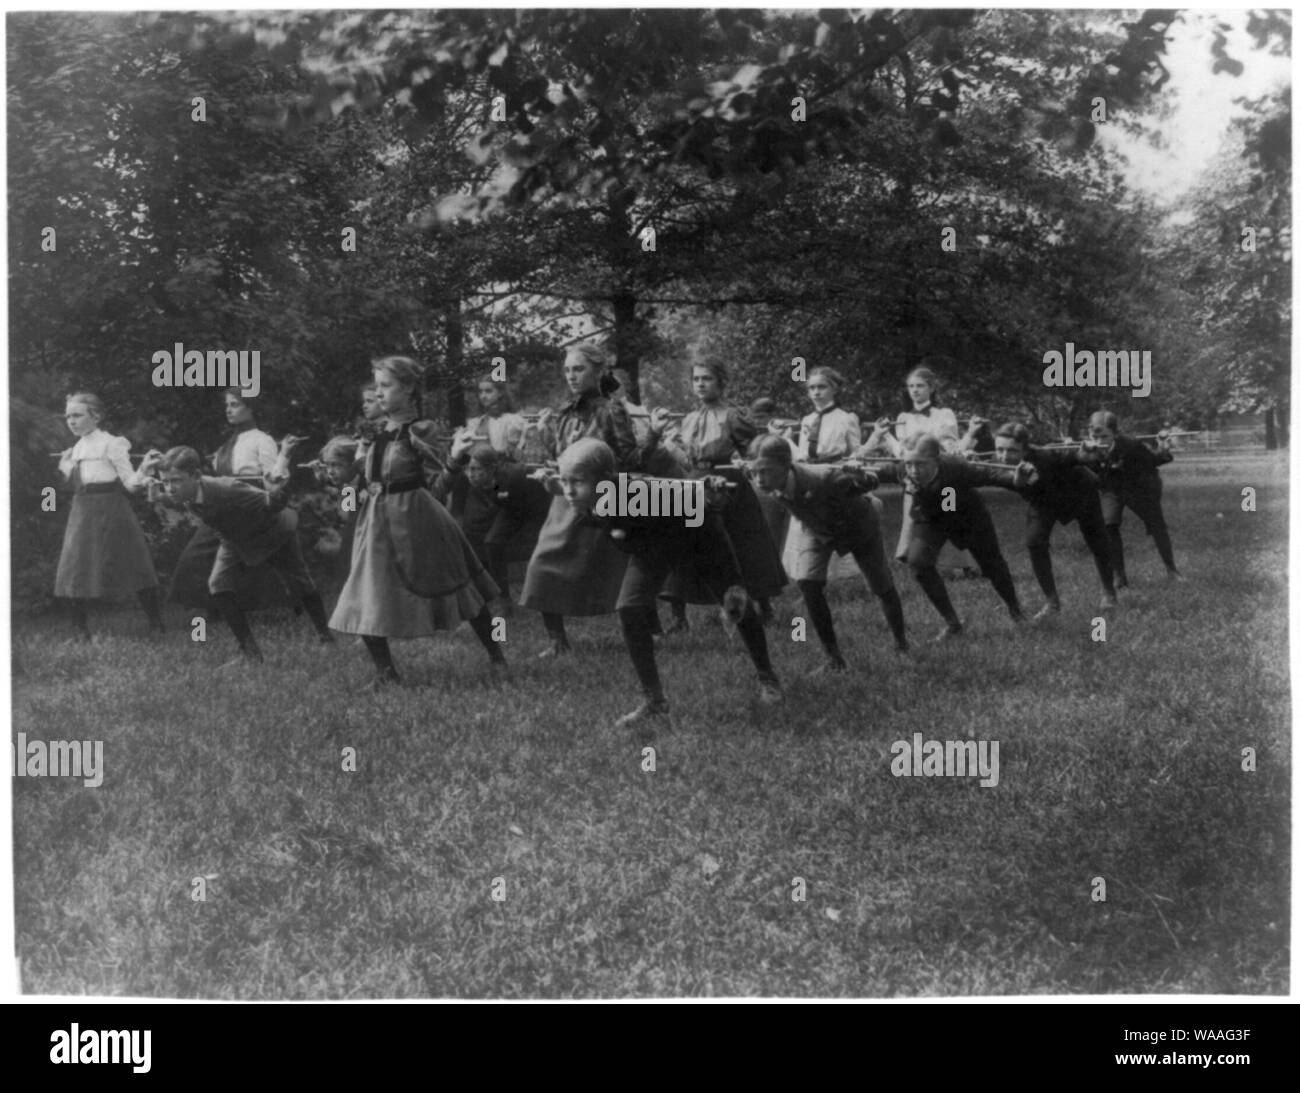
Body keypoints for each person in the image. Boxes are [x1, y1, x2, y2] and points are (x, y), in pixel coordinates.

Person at [550, 438, 782, 729]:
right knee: (630, 608)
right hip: (652, 546)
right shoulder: (590, 495)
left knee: (734, 603)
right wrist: (558, 486)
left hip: (698, 535)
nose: (568, 490)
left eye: (577, 482)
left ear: (607, 480)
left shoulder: (639, 492)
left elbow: (691, 493)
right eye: (564, 481)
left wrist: (709, 490)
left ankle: (768, 678)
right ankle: (654, 701)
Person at [328, 356, 506, 685]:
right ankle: (386, 673)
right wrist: (346, 487)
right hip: (376, 525)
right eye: (377, 386)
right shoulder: (375, 433)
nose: (379, 393)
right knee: (362, 592)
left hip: (419, 522)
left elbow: (437, 488)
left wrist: (454, 459)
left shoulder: (421, 431)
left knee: (459, 587)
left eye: (386, 386)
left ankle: (497, 657)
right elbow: (364, 483)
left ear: (408, 388)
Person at [150, 444, 334, 663]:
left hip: (272, 531)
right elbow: (170, 498)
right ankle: (250, 654)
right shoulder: (183, 493)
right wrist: (157, 496)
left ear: (197, 475)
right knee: (218, 586)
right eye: (166, 481)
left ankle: (326, 638)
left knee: (299, 582)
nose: (170, 487)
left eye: (176, 480)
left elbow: (272, 504)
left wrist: (277, 486)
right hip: (234, 538)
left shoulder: (227, 488)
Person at [519, 341, 646, 658]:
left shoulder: (612, 410)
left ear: (598, 371)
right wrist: (545, 433)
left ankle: (644, 632)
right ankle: (557, 642)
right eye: (567, 370)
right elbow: (559, 455)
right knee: (542, 565)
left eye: (579, 369)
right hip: (564, 501)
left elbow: (629, 458)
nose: (571, 376)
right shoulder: (564, 411)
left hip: (602, 499)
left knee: (622, 567)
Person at [747, 435, 907, 671]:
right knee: (808, 585)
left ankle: (901, 644)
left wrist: (861, 476)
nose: (759, 480)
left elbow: (870, 483)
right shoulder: (767, 478)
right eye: (755, 472)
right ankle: (834, 659)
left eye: (766, 472)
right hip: (817, 529)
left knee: (881, 585)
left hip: (858, 526)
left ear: (787, 465)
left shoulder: (823, 477)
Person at [656, 361, 786, 632]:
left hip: (729, 486)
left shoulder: (734, 416)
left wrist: (749, 461)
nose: (701, 384)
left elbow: (755, 449)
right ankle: (679, 618)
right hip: (694, 483)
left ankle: (764, 609)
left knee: (744, 545)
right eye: (696, 379)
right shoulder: (689, 419)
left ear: (721, 382)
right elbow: (688, 460)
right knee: (682, 545)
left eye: (707, 379)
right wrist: (669, 446)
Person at [872, 433, 1032, 640]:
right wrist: (853, 469)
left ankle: (1015, 610)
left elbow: (992, 475)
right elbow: (874, 474)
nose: (913, 470)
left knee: (992, 565)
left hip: (969, 520)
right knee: (919, 563)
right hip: (931, 520)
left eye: (920, 464)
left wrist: (1017, 479)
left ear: (937, 460)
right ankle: (952, 623)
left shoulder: (957, 468)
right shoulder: (903, 469)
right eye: (909, 463)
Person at [167, 389, 289, 613]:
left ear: (251, 408)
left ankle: (257, 610)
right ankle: (207, 610)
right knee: (194, 558)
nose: (229, 410)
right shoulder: (226, 445)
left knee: (249, 561)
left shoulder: (263, 440)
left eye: (235, 405)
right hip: (220, 510)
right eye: (227, 405)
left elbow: (273, 480)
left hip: (248, 510)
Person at [53, 392, 163, 638]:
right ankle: (79, 630)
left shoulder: (112, 443)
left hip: (112, 509)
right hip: (81, 512)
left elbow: (130, 484)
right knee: (75, 566)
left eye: (78, 415)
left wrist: (144, 469)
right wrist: (65, 467)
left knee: (135, 563)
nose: (71, 421)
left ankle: (156, 622)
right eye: (68, 416)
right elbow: (74, 485)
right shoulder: (76, 448)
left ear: (96, 416)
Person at [991, 423, 1118, 617]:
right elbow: (983, 475)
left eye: (1012, 450)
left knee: (1097, 540)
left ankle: (1109, 594)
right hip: (1043, 500)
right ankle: (1052, 603)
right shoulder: (996, 462)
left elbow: (1073, 457)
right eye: (1000, 449)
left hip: (1079, 492)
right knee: (1034, 542)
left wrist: (1083, 455)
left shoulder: (1044, 456)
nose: (1004, 456)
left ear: (1025, 449)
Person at [862, 364, 976, 573]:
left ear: (931, 388)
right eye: (911, 386)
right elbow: (901, 453)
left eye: (920, 386)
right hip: (914, 476)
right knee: (916, 517)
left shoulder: (944, 414)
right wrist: (886, 435)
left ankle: (961, 564)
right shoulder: (904, 418)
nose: (915, 390)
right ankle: (918, 558)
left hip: (942, 475)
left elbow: (951, 447)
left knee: (949, 513)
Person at [437, 441, 550, 614]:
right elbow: (461, 508)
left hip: (532, 508)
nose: (470, 475)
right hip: (509, 504)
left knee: (493, 542)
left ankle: (503, 600)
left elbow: (518, 493)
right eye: (468, 469)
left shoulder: (512, 476)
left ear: (491, 469)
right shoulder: (476, 480)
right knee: (475, 535)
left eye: (476, 470)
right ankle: (490, 594)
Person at [1079, 411, 1181, 587]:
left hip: (1139, 489)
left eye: (1104, 436)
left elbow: (1157, 460)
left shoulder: (1132, 446)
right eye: (1094, 436)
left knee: (1157, 526)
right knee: (1109, 525)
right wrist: (1085, 458)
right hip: (1111, 489)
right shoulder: (1087, 450)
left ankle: (1172, 570)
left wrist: (1163, 446)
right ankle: (1119, 576)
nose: (1099, 441)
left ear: (1116, 434)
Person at [793, 366, 861, 463]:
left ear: (835, 390)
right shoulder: (807, 420)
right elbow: (802, 453)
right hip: (808, 468)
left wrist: (853, 461)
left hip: (833, 469)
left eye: (822, 387)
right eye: (812, 388)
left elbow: (856, 451)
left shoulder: (846, 418)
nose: (816, 392)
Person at [463, 375, 528, 461]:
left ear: (500, 393)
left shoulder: (513, 420)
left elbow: (518, 454)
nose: (483, 396)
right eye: (480, 392)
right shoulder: (476, 422)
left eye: (488, 391)